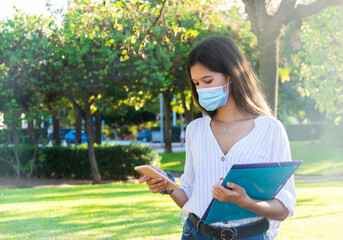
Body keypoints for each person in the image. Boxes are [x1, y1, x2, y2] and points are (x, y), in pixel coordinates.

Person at [139, 36, 296, 240]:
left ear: (232, 75)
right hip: (196, 234)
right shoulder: (196, 130)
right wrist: (166, 185)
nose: (201, 89)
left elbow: (283, 208)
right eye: (196, 83)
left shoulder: (270, 129)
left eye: (208, 80)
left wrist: (245, 201)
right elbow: (190, 197)